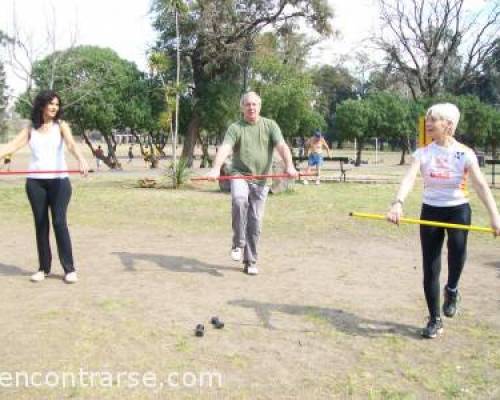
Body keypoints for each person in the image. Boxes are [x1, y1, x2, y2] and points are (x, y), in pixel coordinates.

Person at [387, 103, 500, 339]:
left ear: (448, 125)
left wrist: (494, 216)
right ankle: (434, 319)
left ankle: (452, 289)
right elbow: (409, 178)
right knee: (430, 267)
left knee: (457, 254)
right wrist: (398, 202)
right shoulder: (423, 153)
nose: (428, 123)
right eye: (428, 119)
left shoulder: (465, 153)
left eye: (434, 120)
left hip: (458, 210)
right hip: (431, 211)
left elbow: (480, 185)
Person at [0, 90, 89, 283]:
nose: (55, 107)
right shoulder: (31, 129)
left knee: (59, 222)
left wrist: (81, 159)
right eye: (51, 104)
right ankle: (43, 268)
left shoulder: (61, 126)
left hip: (59, 182)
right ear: (42, 105)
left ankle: (69, 269)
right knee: (41, 224)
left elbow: (72, 145)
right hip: (35, 183)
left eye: (57, 104)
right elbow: (11, 147)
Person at [207, 91, 298, 275]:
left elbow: (281, 146)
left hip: (262, 180)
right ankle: (238, 243)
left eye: (254, 104)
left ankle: (250, 261)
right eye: (247, 104)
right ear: (242, 108)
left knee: (255, 221)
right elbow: (226, 147)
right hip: (240, 174)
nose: (251, 107)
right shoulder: (236, 127)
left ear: (260, 106)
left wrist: (290, 165)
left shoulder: (270, 125)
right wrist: (216, 168)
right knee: (240, 200)